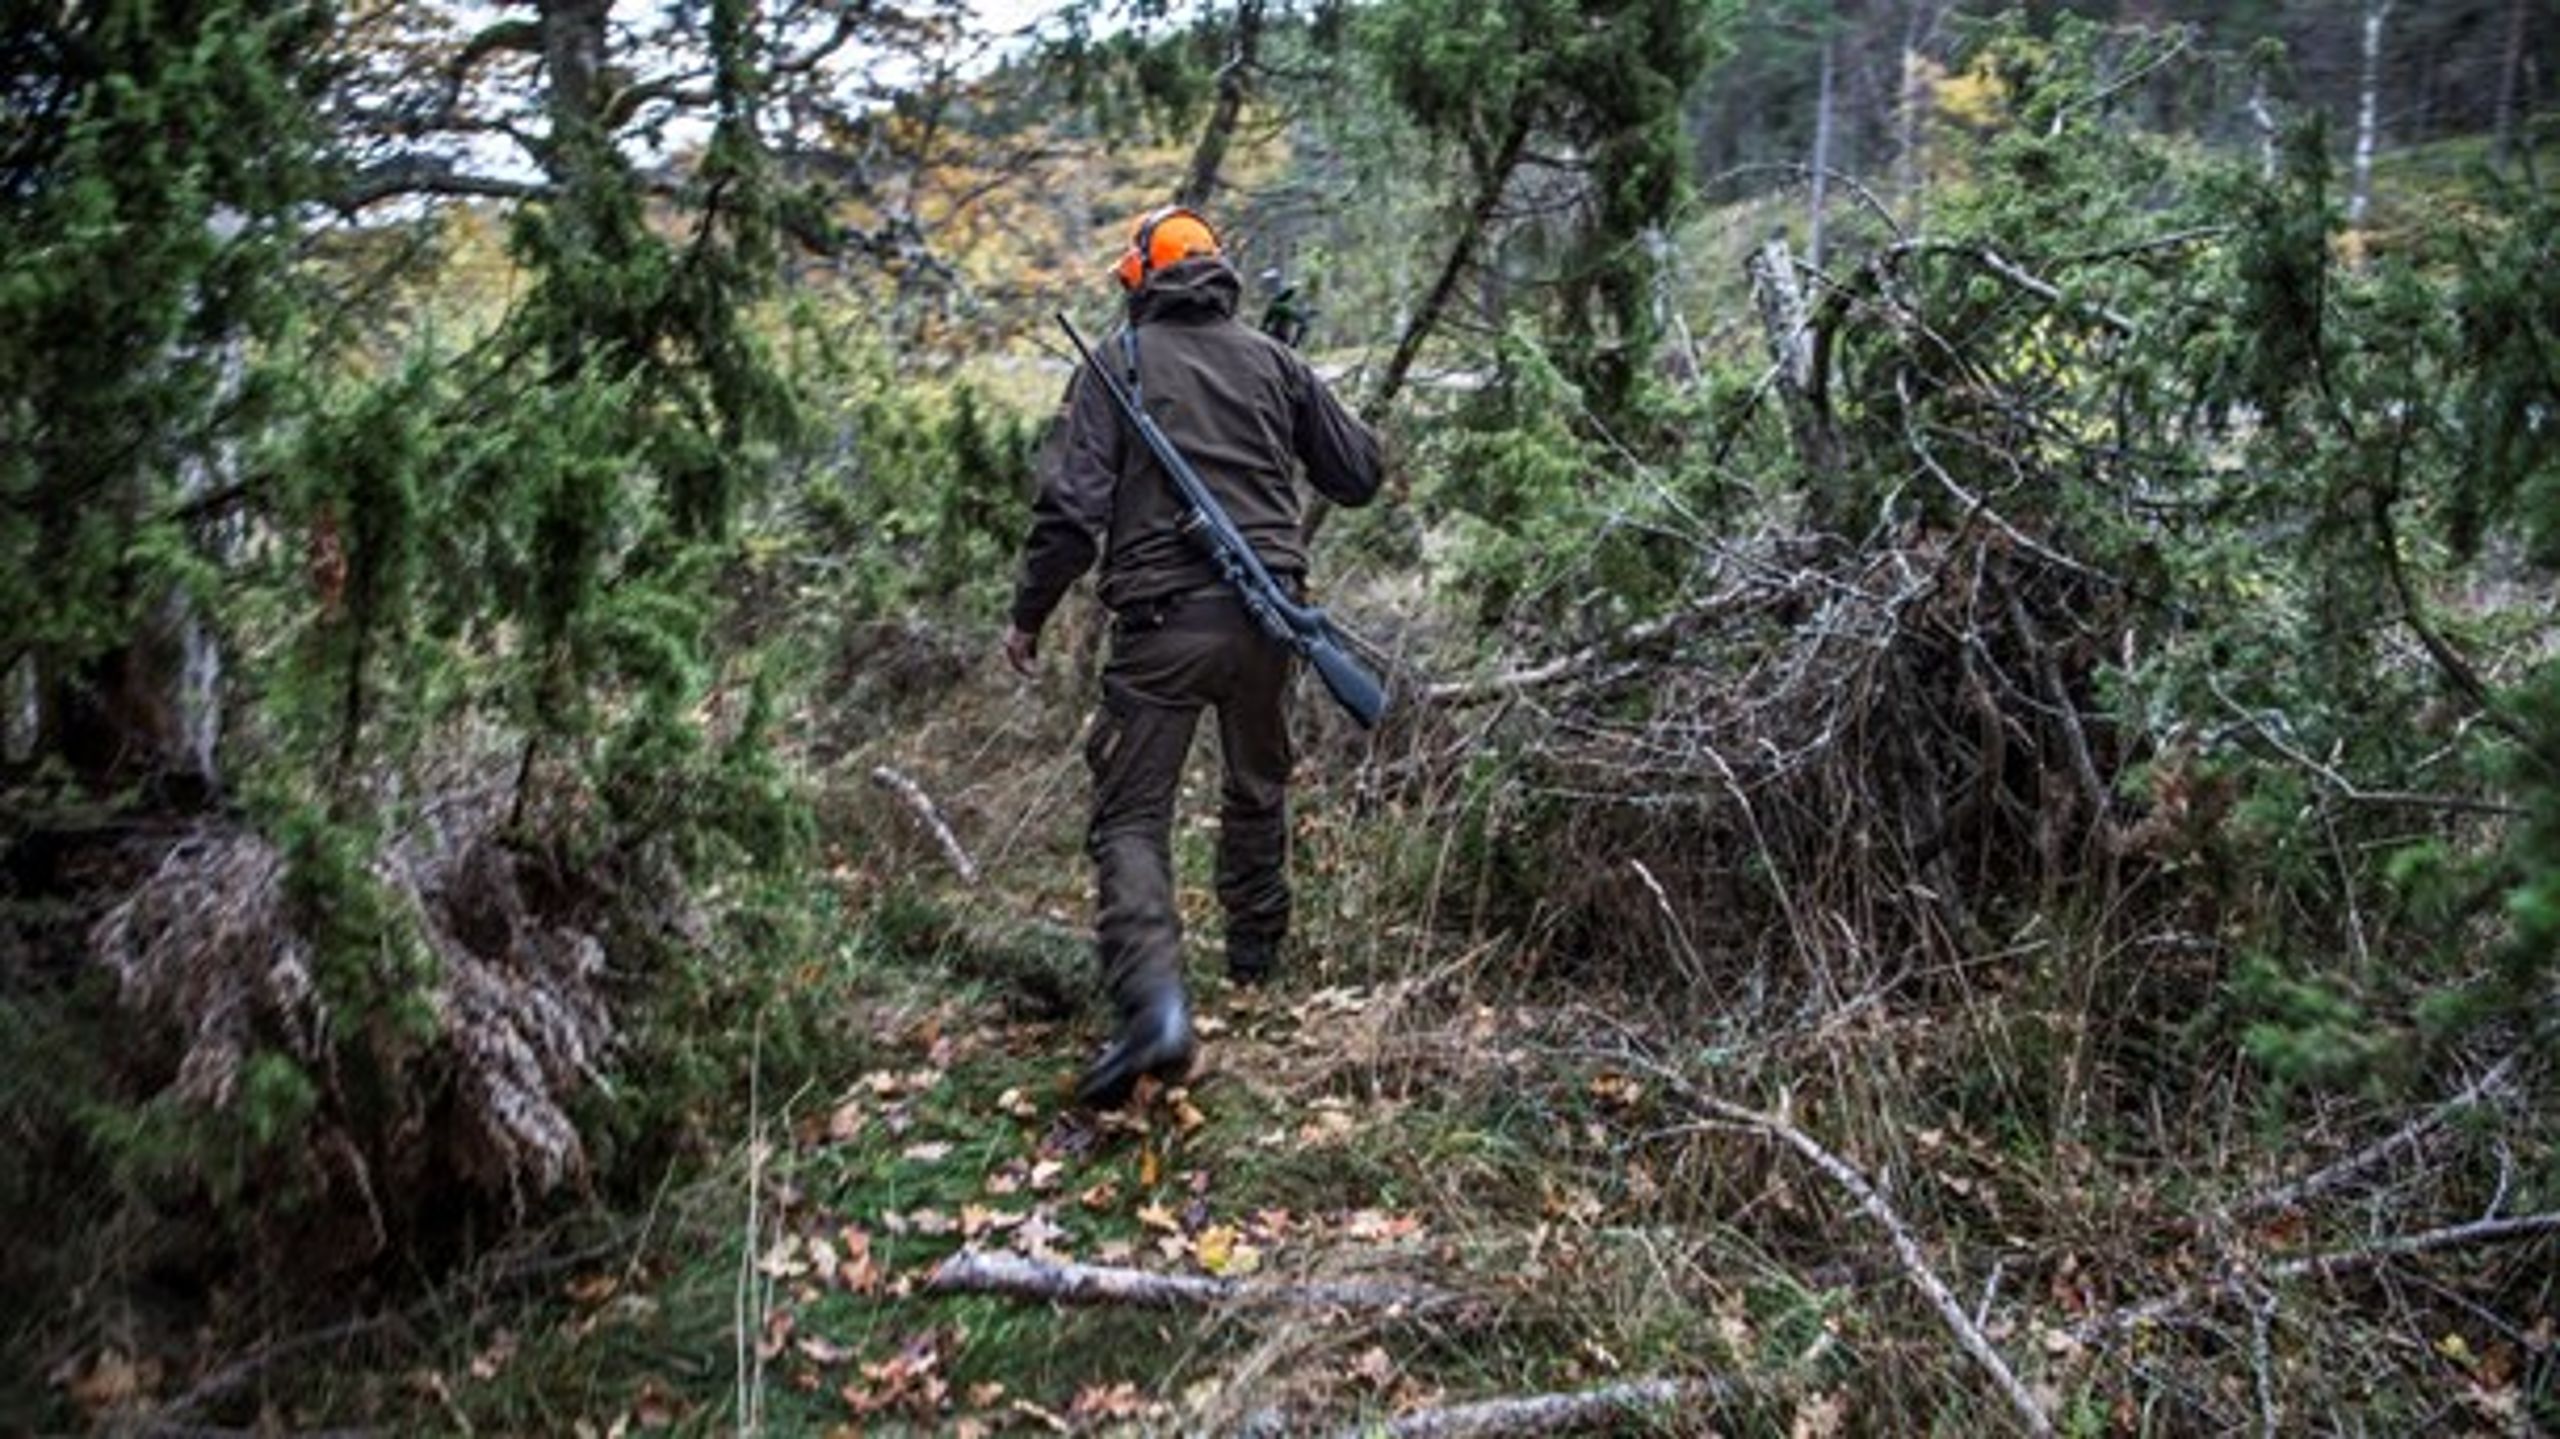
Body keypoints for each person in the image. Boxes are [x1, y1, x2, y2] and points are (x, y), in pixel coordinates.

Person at [1001, 206, 1382, 1108]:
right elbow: (1359, 474)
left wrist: (1029, 617)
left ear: (1140, 278)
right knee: (1257, 785)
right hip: (1267, 623)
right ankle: (1256, 961)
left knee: (1130, 820)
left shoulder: (1117, 364)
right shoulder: (1273, 360)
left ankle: (1157, 1010)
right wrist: (1300, 386)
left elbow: (1068, 513)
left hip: (1163, 625)